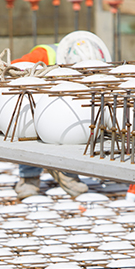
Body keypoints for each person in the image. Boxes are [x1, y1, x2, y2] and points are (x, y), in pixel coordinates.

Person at [12, 31, 110, 200]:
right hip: (33, 102)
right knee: (27, 124)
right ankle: (29, 177)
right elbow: (11, 71)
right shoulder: (42, 56)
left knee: (73, 125)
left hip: (62, 104)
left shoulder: (94, 56)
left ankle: (66, 171)